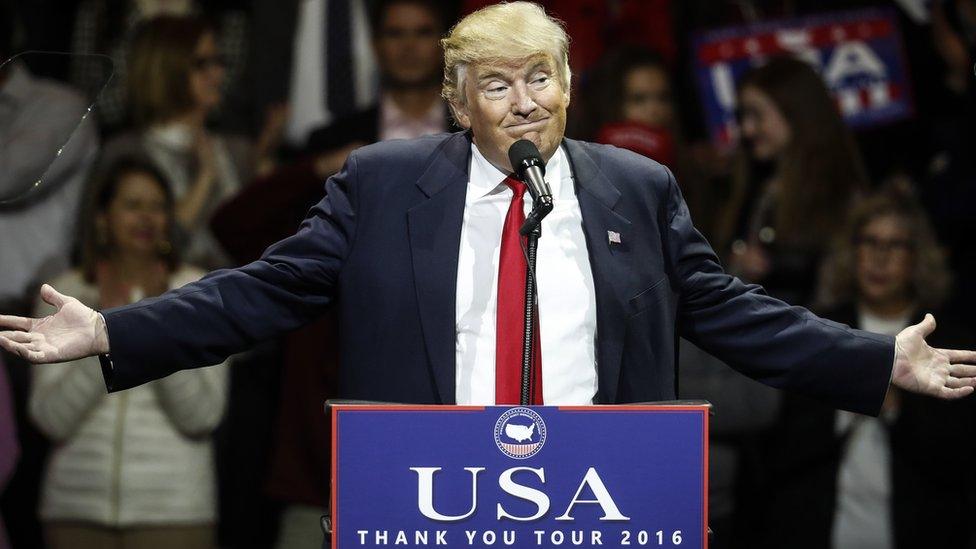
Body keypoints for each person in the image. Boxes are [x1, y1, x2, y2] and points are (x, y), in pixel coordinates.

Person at [1, 0, 974, 444]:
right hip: (429, 501)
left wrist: (871, 357)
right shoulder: (383, 187)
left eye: (540, 78)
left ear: (567, 88)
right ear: (459, 99)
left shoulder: (635, 187)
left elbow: (724, 310)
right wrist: (112, 329)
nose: (523, 102)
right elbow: (260, 293)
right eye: (498, 85)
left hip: (602, 504)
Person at [755, 186, 976, 548]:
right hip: (817, 529)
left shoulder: (951, 341)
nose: (879, 257)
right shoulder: (819, 331)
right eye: (869, 242)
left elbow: (955, 458)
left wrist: (892, 402)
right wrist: (857, 388)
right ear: (852, 251)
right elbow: (782, 445)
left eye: (895, 245)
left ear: (917, 257)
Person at [28, 156, 227, 549]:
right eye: (133, 205)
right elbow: (50, 420)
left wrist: (155, 324)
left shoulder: (198, 293)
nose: (147, 218)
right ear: (102, 218)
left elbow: (203, 416)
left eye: (157, 207)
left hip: (174, 513)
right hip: (74, 511)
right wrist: (101, 337)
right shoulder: (63, 295)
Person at [97, 15, 253, 270]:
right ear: (167, 69)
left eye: (219, 61)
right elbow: (142, 248)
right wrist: (205, 178)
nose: (218, 73)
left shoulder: (237, 150)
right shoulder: (126, 151)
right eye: (203, 63)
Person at [714, 56, 870, 307]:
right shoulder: (750, 184)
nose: (747, 129)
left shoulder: (840, 195)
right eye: (743, 116)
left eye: (756, 115)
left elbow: (837, 292)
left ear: (796, 112)